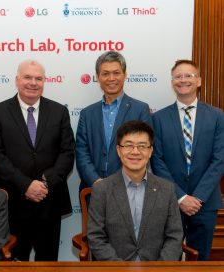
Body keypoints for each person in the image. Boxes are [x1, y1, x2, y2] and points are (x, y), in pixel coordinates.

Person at [0, 59, 75, 261]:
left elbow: (67, 151)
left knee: (48, 260)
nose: (33, 83)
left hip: (49, 200)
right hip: (14, 202)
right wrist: (26, 185)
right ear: (17, 80)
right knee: (14, 261)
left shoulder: (59, 111)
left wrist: (45, 182)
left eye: (38, 78)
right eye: (27, 77)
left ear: (44, 82)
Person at [151, 60, 224, 261]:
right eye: (178, 76)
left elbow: (220, 159)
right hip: (169, 200)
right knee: (166, 258)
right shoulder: (158, 118)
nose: (183, 80)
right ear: (172, 81)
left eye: (188, 76)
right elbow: (157, 161)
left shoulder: (217, 116)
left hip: (205, 202)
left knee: (200, 259)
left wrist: (197, 197)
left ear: (199, 81)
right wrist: (181, 197)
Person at [87, 120, 183, 261]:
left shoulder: (167, 189)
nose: (135, 152)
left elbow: (174, 237)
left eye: (142, 146)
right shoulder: (102, 189)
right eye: (129, 145)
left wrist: (158, 269)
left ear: (150, 151)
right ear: (118, 150)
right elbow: (96, 237)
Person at [76, 51, 151, 192]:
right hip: (94, 190)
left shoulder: (141, 109)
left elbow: (143, 149)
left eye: (116, 73)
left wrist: (122, 182)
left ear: (124, 75)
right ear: (97, 77)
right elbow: (82, 151)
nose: (111, 78)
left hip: (129, 189)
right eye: (105, 74)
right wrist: (95, 181)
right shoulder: (87, 114)